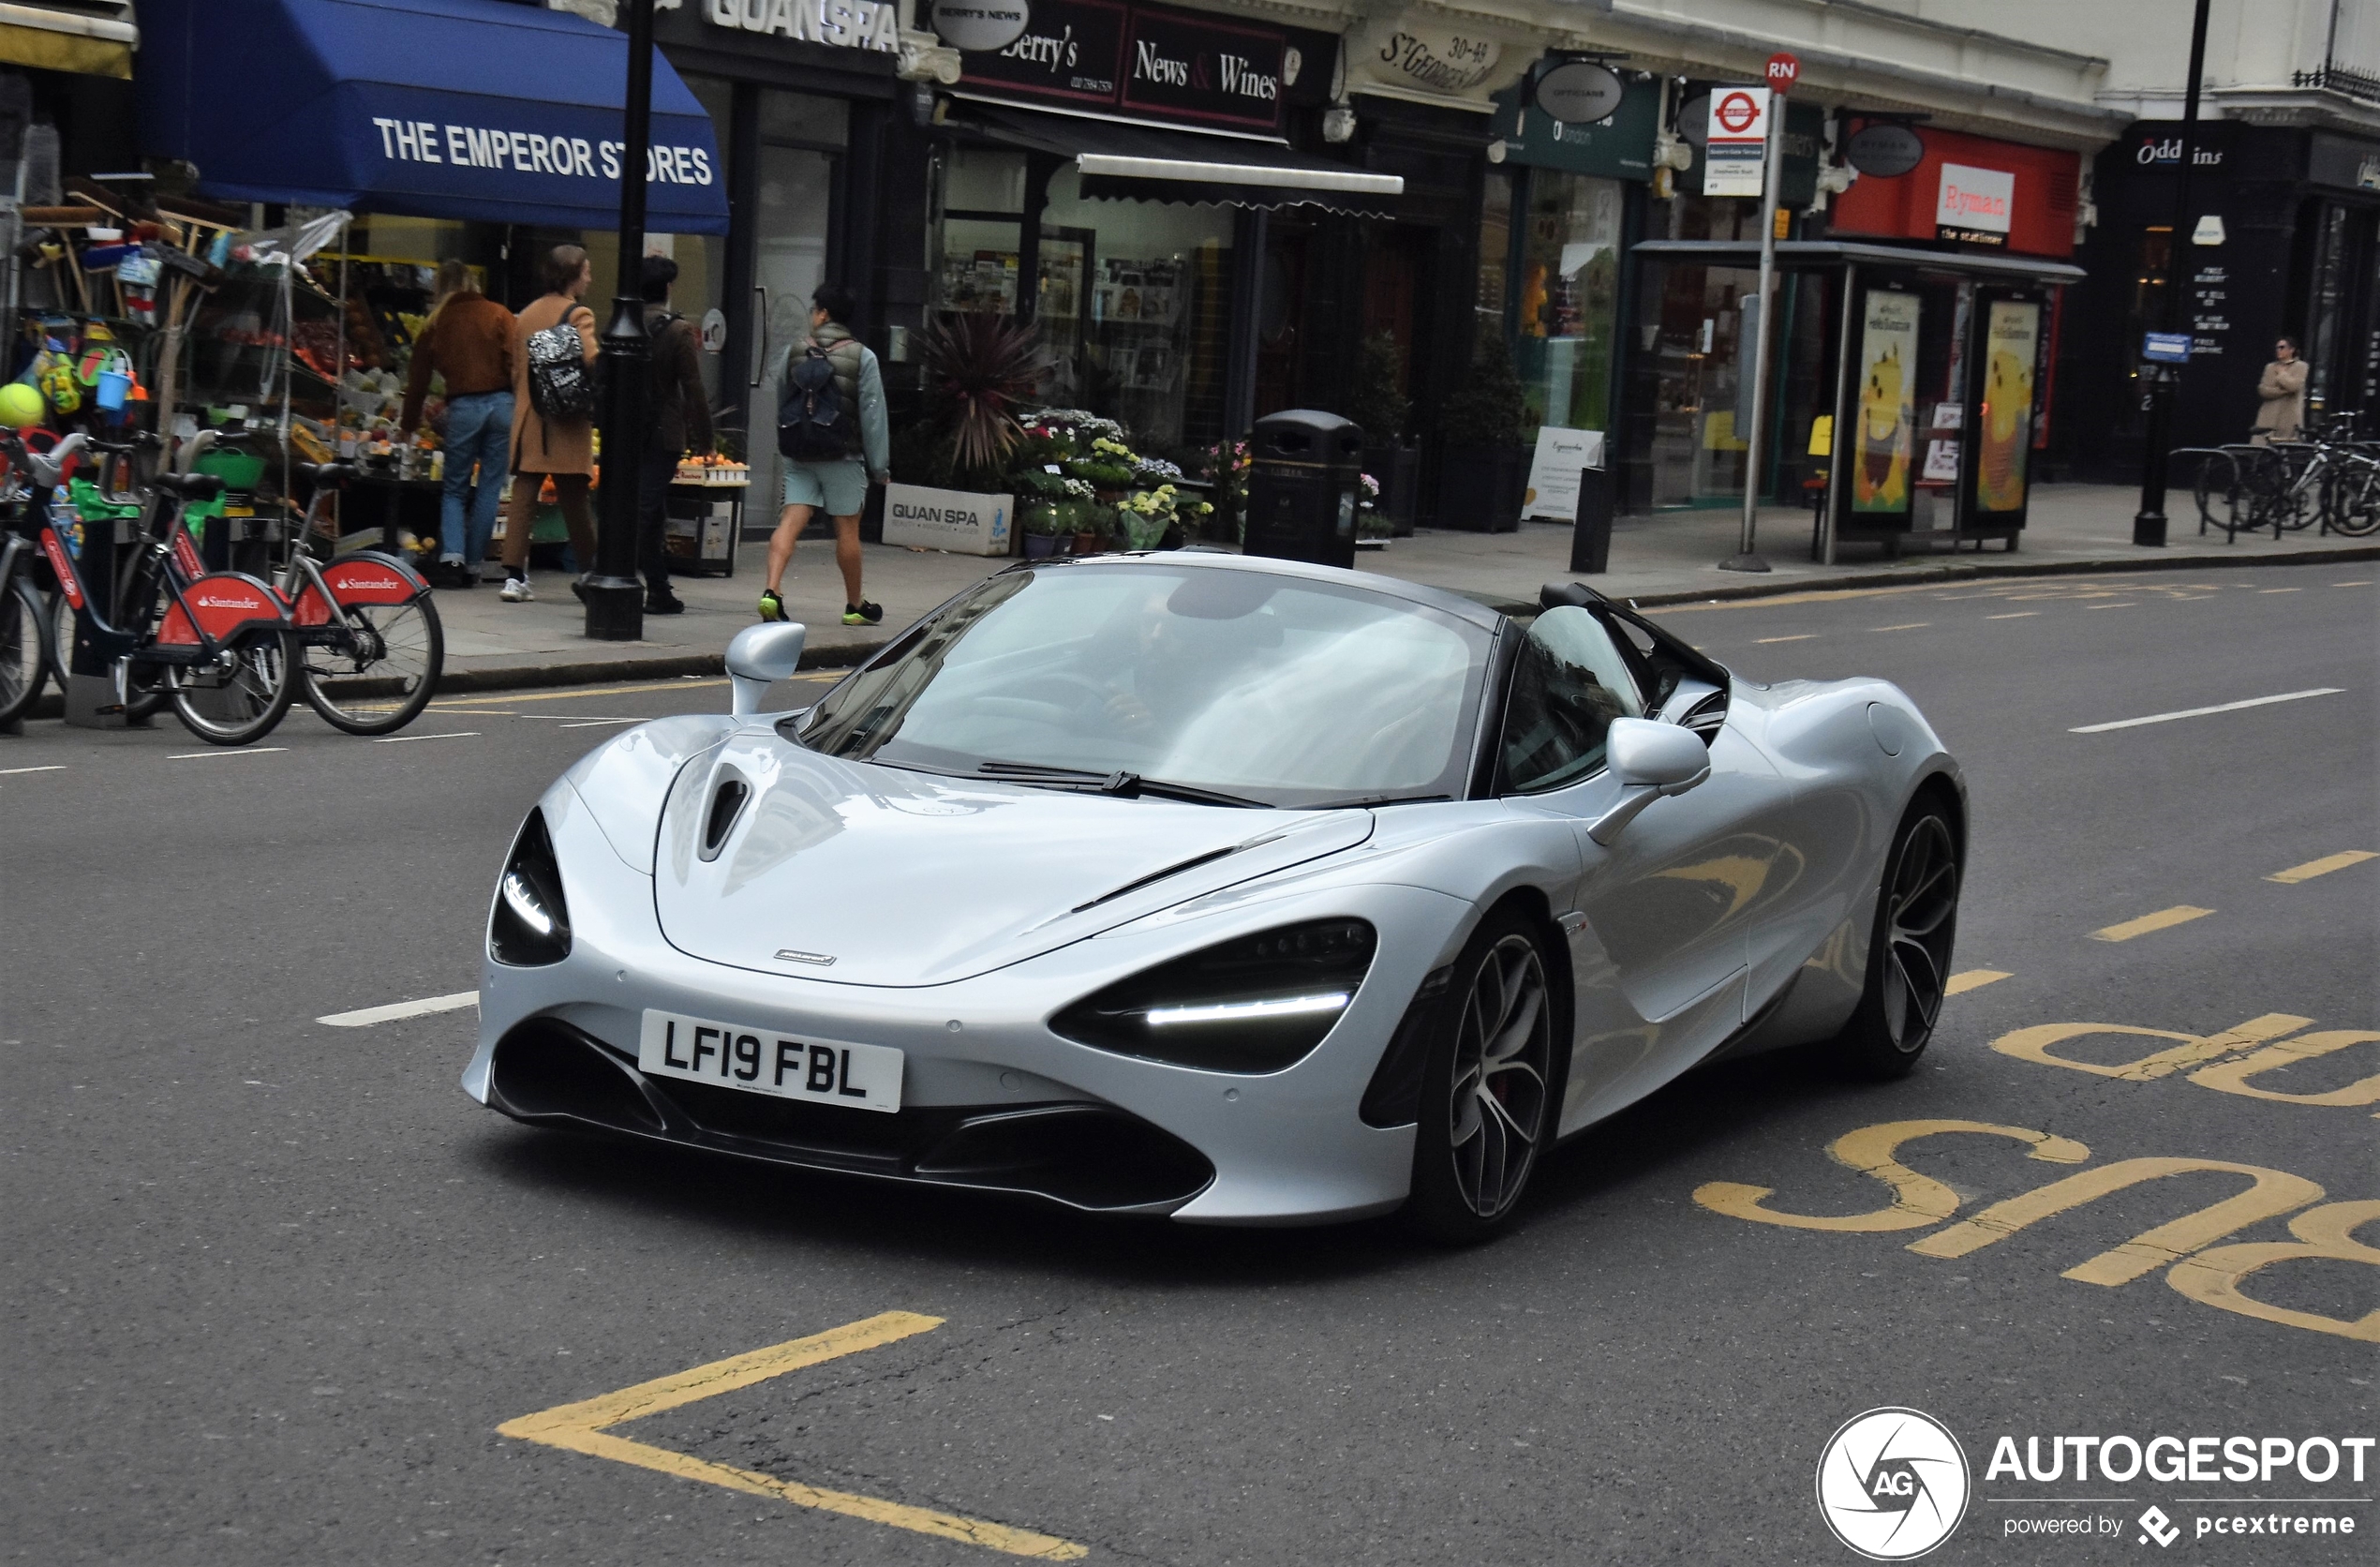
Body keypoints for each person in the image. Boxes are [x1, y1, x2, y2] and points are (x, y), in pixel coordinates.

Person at [757, 282, 887, 627]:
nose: (811, 317)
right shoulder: (864, 357)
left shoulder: (795, 350)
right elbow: (873, 416)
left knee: (790, 522)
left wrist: (787, 446)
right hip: (843, 457)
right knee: (847, 530)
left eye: (813, 310)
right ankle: (854, 605)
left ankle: (771, 591)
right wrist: (879, 466)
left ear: (823, 313)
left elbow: (783, 401)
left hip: (800, 455)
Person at [400, 261, 514, 589]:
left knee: (454, 488)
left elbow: (418, 380)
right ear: (472, 283)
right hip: (504, 405)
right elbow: (515, 363)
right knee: (490, 487)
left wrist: (408, 424)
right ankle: (475, 564)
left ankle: (452, 555)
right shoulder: (499, 313)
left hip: (464, 407)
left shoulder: (437, 322)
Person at [498, 245, 599, 604]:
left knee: (525, 493)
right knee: (574, 496)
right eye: (586, 270)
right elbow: (591, 359)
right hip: (566, 419)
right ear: (573, 275)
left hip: (530, 416)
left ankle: (514, 575)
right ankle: (591, 569)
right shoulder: (579, 313)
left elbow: (515, 370)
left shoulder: (526, 315)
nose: (589, 276)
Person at [636, 255, 709, 617]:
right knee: (645, 509)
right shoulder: (678, 331)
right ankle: (598, 572)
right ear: (666, 289)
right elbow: (693, 389)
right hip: (664, 432)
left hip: (630, 432)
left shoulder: (627, 323)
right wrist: (706, 440)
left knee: (650, 510)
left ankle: (659, 590)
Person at [2253, 336, 2307, 444]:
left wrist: (2281, 375)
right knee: (2262, 447)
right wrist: (2284, 391)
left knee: (2286, 448)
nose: (2278, 350)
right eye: (2277, 348)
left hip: (2289, 416)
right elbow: (2263, 390)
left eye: (2282, 347)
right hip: (2269, 415)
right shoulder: (2270, 367)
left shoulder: (2301, 366)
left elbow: (2294, 386)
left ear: (2292, 350)